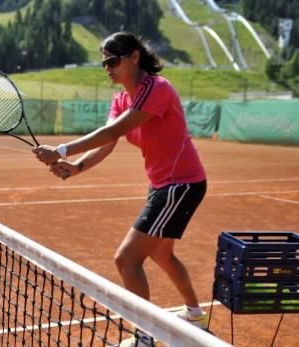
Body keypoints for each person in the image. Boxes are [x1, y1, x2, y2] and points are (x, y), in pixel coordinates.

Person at [33, 32, 208, 347]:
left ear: (135, 57)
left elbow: (115, 130)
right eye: (104, 63)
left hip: (180, 184)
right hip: (165, 185)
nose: (107, 68)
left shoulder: (157, 88)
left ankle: (144, 336)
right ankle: (195, 315)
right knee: (162, 253)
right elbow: (108, 143)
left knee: (126, 260)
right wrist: (77, 167)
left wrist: (61, 151)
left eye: (113, 60)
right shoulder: (121, 99)